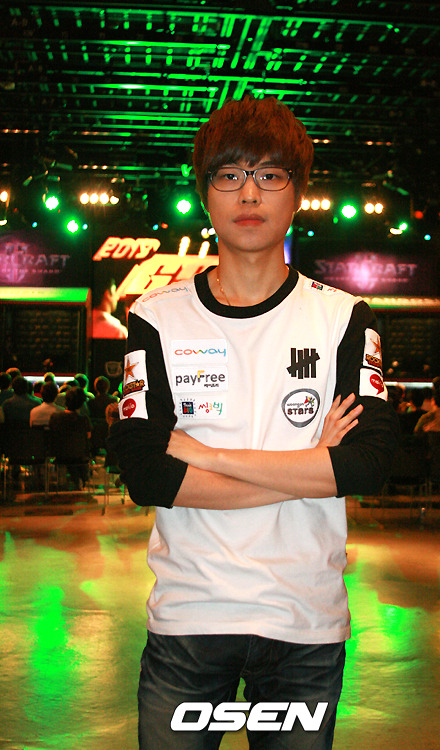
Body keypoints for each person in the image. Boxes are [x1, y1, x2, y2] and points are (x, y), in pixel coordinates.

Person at [109, 95, 399, 750]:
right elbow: (148, 473)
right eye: (229, 175)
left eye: (269, 175)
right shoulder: (156, 317)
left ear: (298, 193)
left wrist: (205, 454)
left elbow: (366, 465)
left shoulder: (343, 319)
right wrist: (310, 468)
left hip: (305, 621)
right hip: (189, 618)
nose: (249, 193)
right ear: (204, 194)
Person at [49, 386, 91, 489]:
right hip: (79, 454)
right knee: (74, 452)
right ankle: (81, 479)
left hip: (59, 454)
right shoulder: (84, 420)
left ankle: (76, 479)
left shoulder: (55, 417)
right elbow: (88, 438)